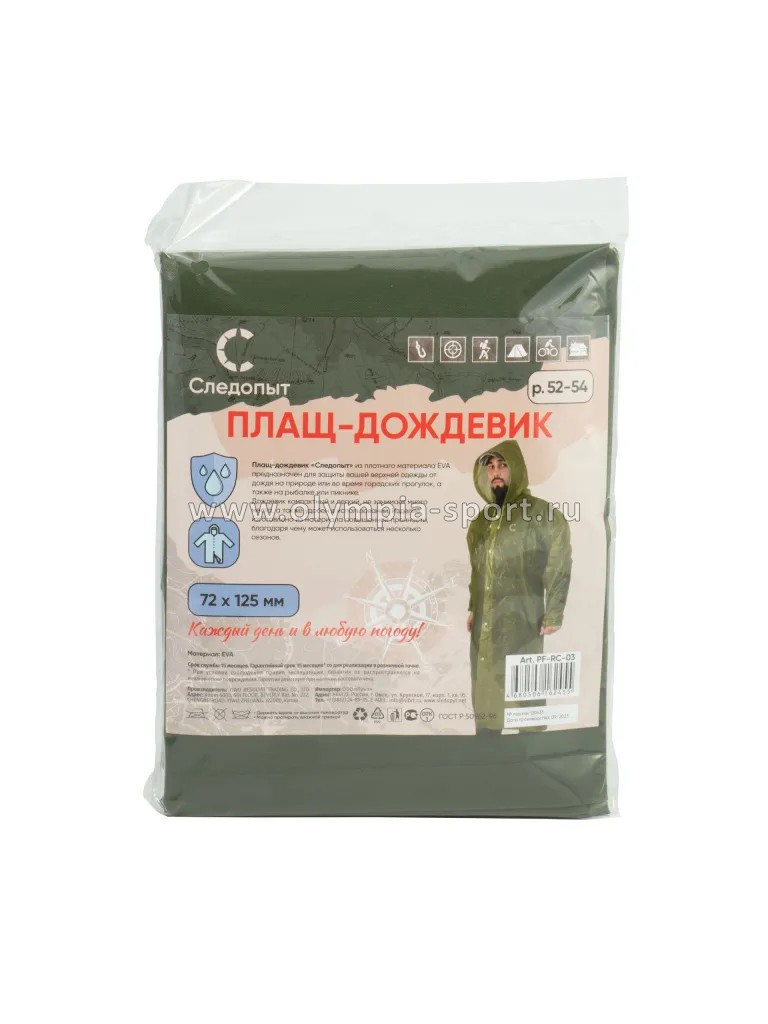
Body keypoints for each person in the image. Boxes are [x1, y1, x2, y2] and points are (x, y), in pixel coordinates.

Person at [466, 440, 572, 731]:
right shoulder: (481, 522)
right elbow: (477, 568)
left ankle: (529, 746)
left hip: (524, 617)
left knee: (524, 685)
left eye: (502, 465)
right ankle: (487, 747)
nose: (496, 472)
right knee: (486, 686)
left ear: (517, 469)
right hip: (485, 621)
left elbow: (559, 563)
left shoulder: (541, 514)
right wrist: (474, 606)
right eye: (490, 467)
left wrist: (554, 612)